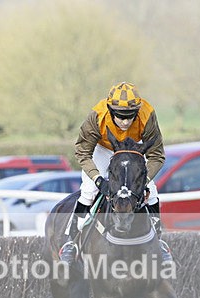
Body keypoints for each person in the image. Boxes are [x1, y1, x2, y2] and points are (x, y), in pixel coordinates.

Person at [60, 82, 172, 264]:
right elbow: (82, 151)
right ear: (110, 110)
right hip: (103, 149)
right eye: (120, 116)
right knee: (88, 191)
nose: (126, 122)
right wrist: (97, 178)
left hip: (132, 151)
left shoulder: (147, 114)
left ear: (138, 109)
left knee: (152, 192)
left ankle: (158, 241)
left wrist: (144, 181)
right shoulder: (97, 116)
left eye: (130, 116)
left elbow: (157, 155)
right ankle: (71, 241)